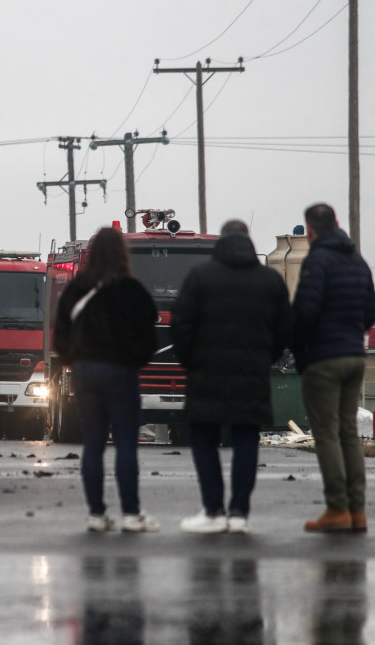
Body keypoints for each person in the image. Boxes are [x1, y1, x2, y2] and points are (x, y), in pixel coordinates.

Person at [171, 220, 292, 534]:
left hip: (206, 374)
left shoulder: (200, 277)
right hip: (251, 374)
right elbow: (283, 331)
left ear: (221, 242)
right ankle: (239, 512)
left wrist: (192, 361)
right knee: (245, 439)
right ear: (248, 241)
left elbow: (181, 326)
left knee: (203, 439)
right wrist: (265, 357)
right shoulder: (270, 281)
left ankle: (213, 510)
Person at [53, 226, 159, 533]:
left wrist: (73, 360)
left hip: (86, 372)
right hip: (121, 372)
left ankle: (97, 515)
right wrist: (134, 362)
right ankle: (131, 514)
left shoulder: (76, 289)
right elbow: (148, 338)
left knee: (93, 443)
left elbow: (60, 333)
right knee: (125, 443)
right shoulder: (132, 289)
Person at [292, 203, 375, 533]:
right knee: (348, 433)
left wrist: (301, 350)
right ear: (338, 223)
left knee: (326, 432)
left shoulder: (318, 260)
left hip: (324, 359)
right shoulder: (358, 261)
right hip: (355, 356)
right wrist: (350, 329)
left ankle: (337, 508)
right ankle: (357, 510)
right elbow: (371, 311)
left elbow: (305, 312)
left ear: (310, 231)